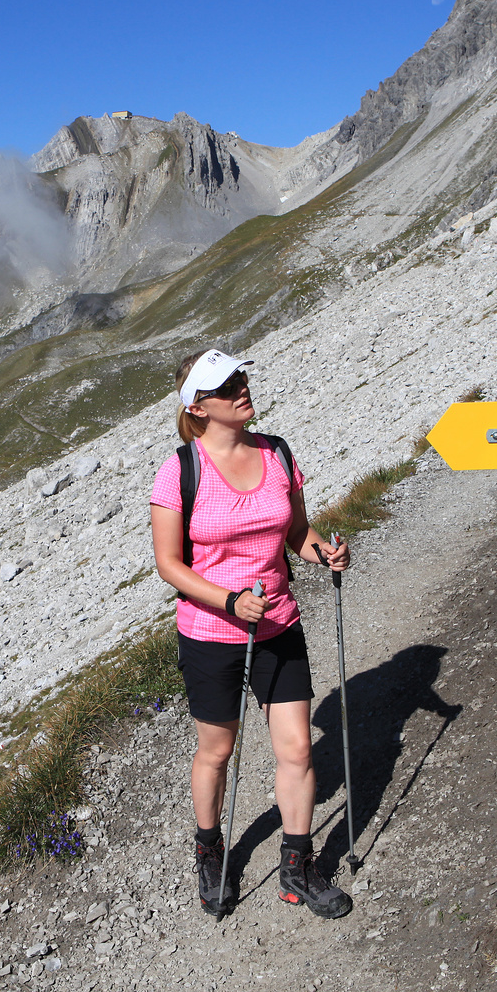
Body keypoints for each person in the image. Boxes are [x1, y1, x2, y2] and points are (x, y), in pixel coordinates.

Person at [149, 348, 353, 919]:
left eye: (241, 377)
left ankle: (298, 868)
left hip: (276, 622)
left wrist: (324, 553)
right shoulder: (180, 471)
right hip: (213, 630)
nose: (241, 388)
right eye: (226, 385)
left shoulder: (278, 453)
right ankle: (210, 850)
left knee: (297, 747)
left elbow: (297, 531)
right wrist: (231, 601)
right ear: (198, 406)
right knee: (217, 750)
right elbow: (169, 564)